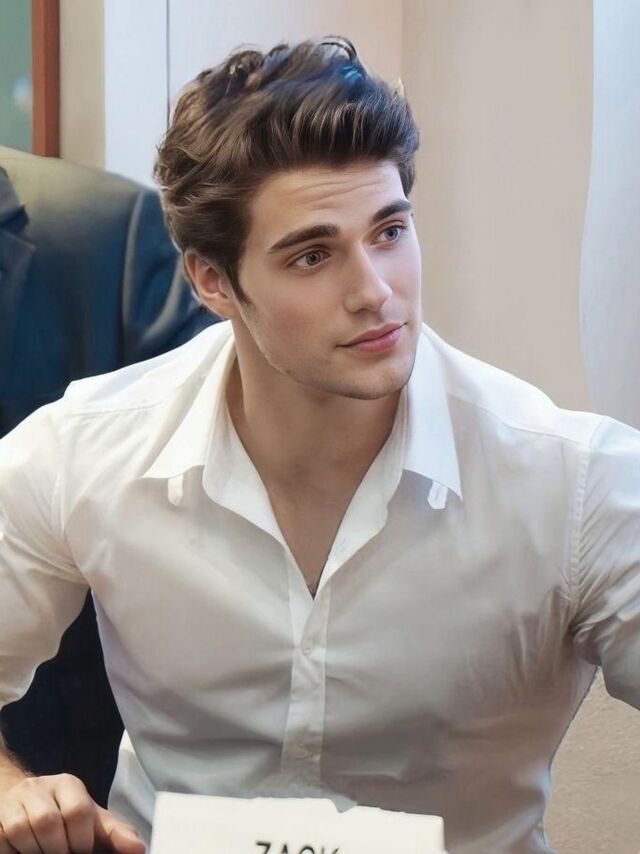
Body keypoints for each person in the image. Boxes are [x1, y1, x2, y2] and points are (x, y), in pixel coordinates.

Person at [0, 35, 638, 854]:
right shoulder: (84, 451)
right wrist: (13, 792)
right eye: (312, 255)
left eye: (389, 232)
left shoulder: (572, 482)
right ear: (211, 281)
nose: (374, 292)